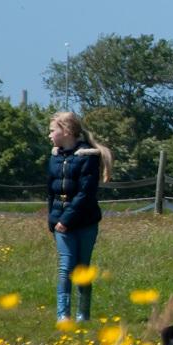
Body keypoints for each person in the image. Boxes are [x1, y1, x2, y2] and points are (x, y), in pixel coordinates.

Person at [46, 110, 112, 322]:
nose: (49, 135)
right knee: (65, 267)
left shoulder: (87, 157)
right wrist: (53, 219)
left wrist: (67, 220)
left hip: (85, 222)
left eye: (52, 130)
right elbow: (50, 191)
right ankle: (63, 316)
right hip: (60, 223)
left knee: (82, 268)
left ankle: (83, 315)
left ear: (65, 131)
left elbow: (86, 193)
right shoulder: (54, 158)